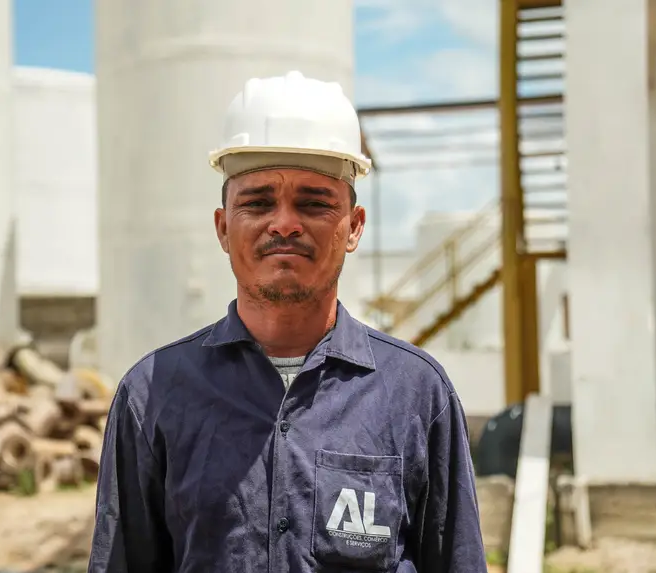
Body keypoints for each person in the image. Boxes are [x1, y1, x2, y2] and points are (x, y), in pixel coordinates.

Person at [88, 71, 487, 573]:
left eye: (314, 203)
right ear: (223, 227)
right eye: (257, 202)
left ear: (354, 227)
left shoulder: (416, 395)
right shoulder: (152, 395)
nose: (284, 223)